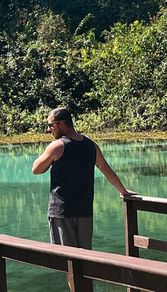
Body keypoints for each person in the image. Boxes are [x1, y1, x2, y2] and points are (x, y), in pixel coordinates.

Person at [32, 106, 134, 250]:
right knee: (85, 258)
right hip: (84, 211)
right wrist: (123, 191)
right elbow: (105, 169)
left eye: (50, 125)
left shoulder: (57, 146)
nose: (49, 130)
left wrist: (49, 154)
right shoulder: (91, 145)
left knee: (67, 259)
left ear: (61, 123)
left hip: (62, 212)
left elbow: (36, 169)